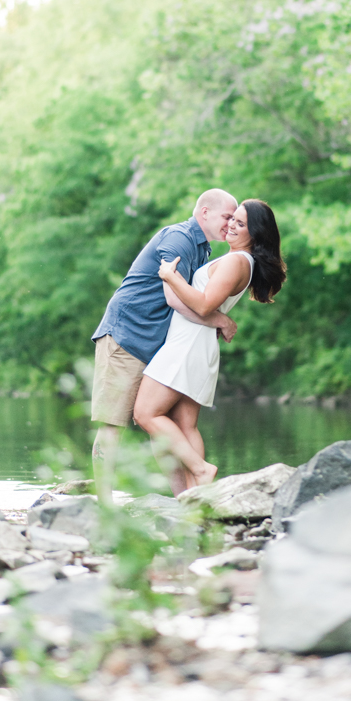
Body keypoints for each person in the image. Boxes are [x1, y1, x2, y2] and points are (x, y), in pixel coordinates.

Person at [90, 188, 238, 500]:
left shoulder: (204, 249)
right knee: (112, 424)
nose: (231, 223)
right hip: (127, 336)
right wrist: (218, 321)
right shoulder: (180, 238)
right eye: (227, 216)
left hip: (156, 344)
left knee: (166, 425)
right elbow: (173, 295)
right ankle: (102, 504)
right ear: (205, 212)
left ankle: (183, 500)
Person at [133, 199, 287, 491]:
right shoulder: (237, 260)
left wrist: (170, 276)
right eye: (232, 219)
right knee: (184, 424)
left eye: (241, 224)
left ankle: (201, 470)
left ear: (255, 234)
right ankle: (193, 499)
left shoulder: (237, 261)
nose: (231, 225)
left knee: (146, 413)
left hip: (188, 344)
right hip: (196, 343)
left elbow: (204, 305)